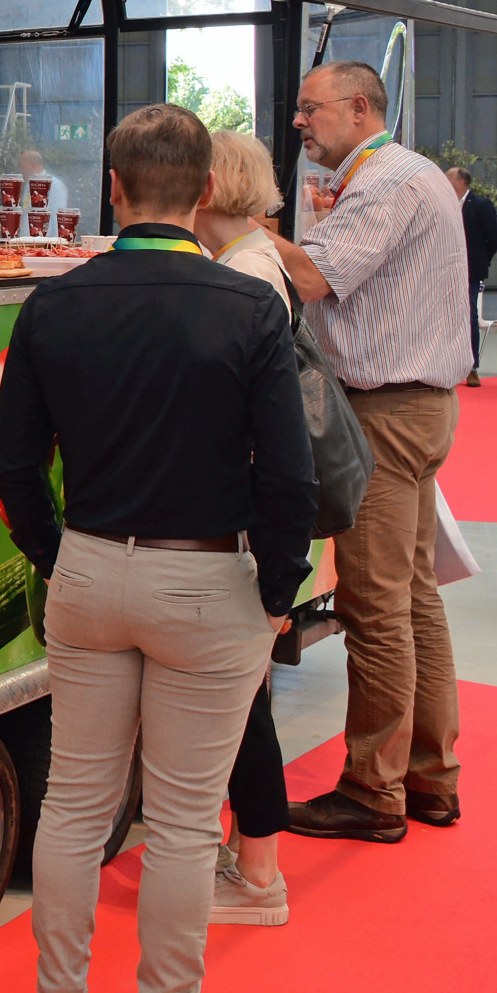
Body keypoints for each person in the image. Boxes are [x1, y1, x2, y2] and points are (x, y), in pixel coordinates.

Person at [0, 103, 314, 993]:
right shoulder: (249, 307)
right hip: (205, 576)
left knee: (74, 804)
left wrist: (56, 553)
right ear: (205, 192)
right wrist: (274, 593)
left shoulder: (54, 303)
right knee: (178, 821)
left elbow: (10, 459)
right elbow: (290, 480)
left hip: (89, 569)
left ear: (114, 188)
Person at [264, 62, 469, 841]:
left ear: (359, 108)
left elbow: (312, 277)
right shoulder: (402, 177)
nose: (299, 121)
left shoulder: (385, 182)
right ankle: (429, 775)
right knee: (414, 594)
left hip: (384, 412)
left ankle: (372, 789)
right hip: (417, 407)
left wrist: (241, 225)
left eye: (310, 108)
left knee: (374, 603)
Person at [188, 129, 296, 929]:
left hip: (244, 519)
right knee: (241, 696)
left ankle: (260, 873)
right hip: (250, 515)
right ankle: (250, 856)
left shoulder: (249, 275)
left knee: (243, 702)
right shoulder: (246, 263)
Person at [447, 168, 497, 386]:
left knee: (469, 317)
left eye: (448, 179)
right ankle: (448, 365)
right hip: (446, 270)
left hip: (470, 271)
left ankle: (472, 367)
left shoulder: (480, 205)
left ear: (461, 183)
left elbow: (495, 237)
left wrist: (481, 260)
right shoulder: (444, 203)